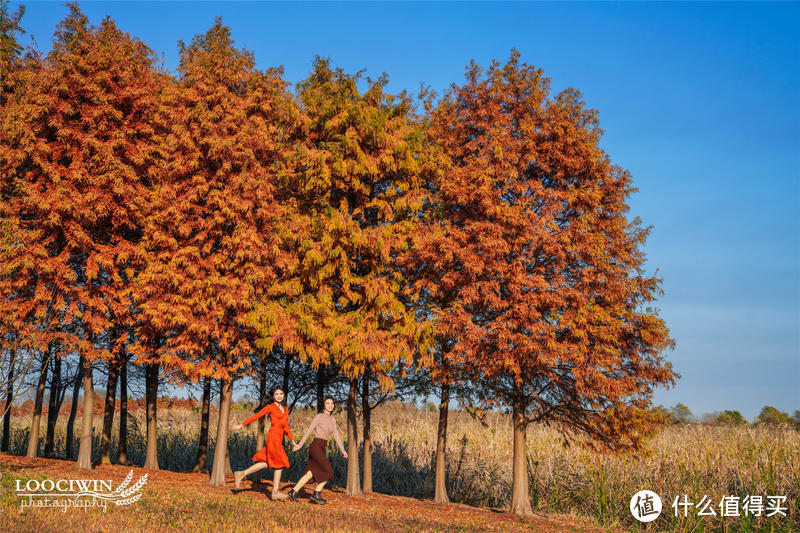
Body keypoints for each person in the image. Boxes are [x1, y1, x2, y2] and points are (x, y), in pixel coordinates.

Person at [231, 387, 296, 500]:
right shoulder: (270, 407)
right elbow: (257, 416)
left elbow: (286, 427)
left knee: (267, 462)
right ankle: (275, 493)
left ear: (284, 396)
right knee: (280, 463)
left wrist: (293, 441)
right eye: (276, 394)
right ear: (273, 396)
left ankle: (242, 473)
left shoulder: (285, 409)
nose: (279, 396)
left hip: (279, 438)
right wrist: (241, 425)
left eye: (281, 394)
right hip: (273, 437)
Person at [285, 396, 347, 504]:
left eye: (332, 403)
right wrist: (300, 445)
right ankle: (316, 494)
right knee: (329, 471)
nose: (330, 405)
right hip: (315, 447)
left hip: (322, 447)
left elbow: (336, 436)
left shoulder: (332, 419)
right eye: (327, 403)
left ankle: (293, 493)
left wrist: (342, 450)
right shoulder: (319, 417)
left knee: (310, 473)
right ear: (324, 405)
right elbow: (309, 431)